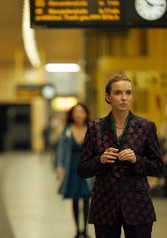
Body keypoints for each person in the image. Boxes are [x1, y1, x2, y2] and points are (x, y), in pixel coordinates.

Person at [78, 74, 164, 238]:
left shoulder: (146, 127)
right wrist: (100, 160)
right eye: (118, 93)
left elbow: (158, 167)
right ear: (107, 97)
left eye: (128, 92)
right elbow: (82, 169)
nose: (124, 98)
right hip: (104, 206)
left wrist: (136, 159)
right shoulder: (95, 128)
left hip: (138, 206)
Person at [56, 102, 92, 238]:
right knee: (75, 200)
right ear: (72, 115)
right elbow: (61, 150)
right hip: (72, 169)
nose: (79, 115)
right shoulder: (67, 131)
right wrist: (59, 167)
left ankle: (86, 230)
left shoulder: (91, 130)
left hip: (88, 168)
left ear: (86, 114)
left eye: (81, 111)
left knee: (87, 199)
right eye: (76, 112)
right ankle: (77, 230)